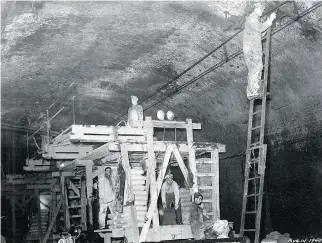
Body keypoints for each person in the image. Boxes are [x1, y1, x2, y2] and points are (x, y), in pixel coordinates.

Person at [243, 3, 276, 100]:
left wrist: (266, 24)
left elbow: (259, 34)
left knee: (255, 68)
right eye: (261, 8)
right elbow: (260, 28)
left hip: (252, 47)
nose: (262, 10)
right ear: (255, 8)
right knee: (256, 67)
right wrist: (270, 20)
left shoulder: (253, 20)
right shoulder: (252, 18)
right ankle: (253, 92)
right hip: (252, 48)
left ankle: (253, 91)